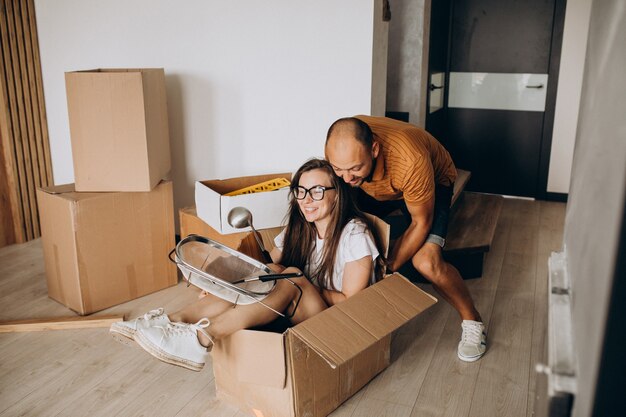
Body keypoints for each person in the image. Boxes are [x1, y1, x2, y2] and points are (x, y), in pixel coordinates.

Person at [110, 158, 384, 371]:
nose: (306, 200)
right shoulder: (299, 228)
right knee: (274, 274)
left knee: (288, 275)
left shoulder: (355, 234)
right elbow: (264, 270)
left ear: (337, 194)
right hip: (296, 310)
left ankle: (202, 338)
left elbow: (353, 304)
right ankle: (170, 322)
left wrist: (299, 280)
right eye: (301, 191)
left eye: (317, 191)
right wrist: (226, 287)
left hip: (336, 327)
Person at [324, 115, 486, 362]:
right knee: (335, 224)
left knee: (426, 262)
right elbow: (345, 176)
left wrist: (386, 269)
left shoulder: (411, 161)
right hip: (377, 185)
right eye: (338, 169)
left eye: (355, 168)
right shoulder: (344, 152)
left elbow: (420, 222)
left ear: (375, 148)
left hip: (431, 180)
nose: (346, 178)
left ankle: (473, 321)